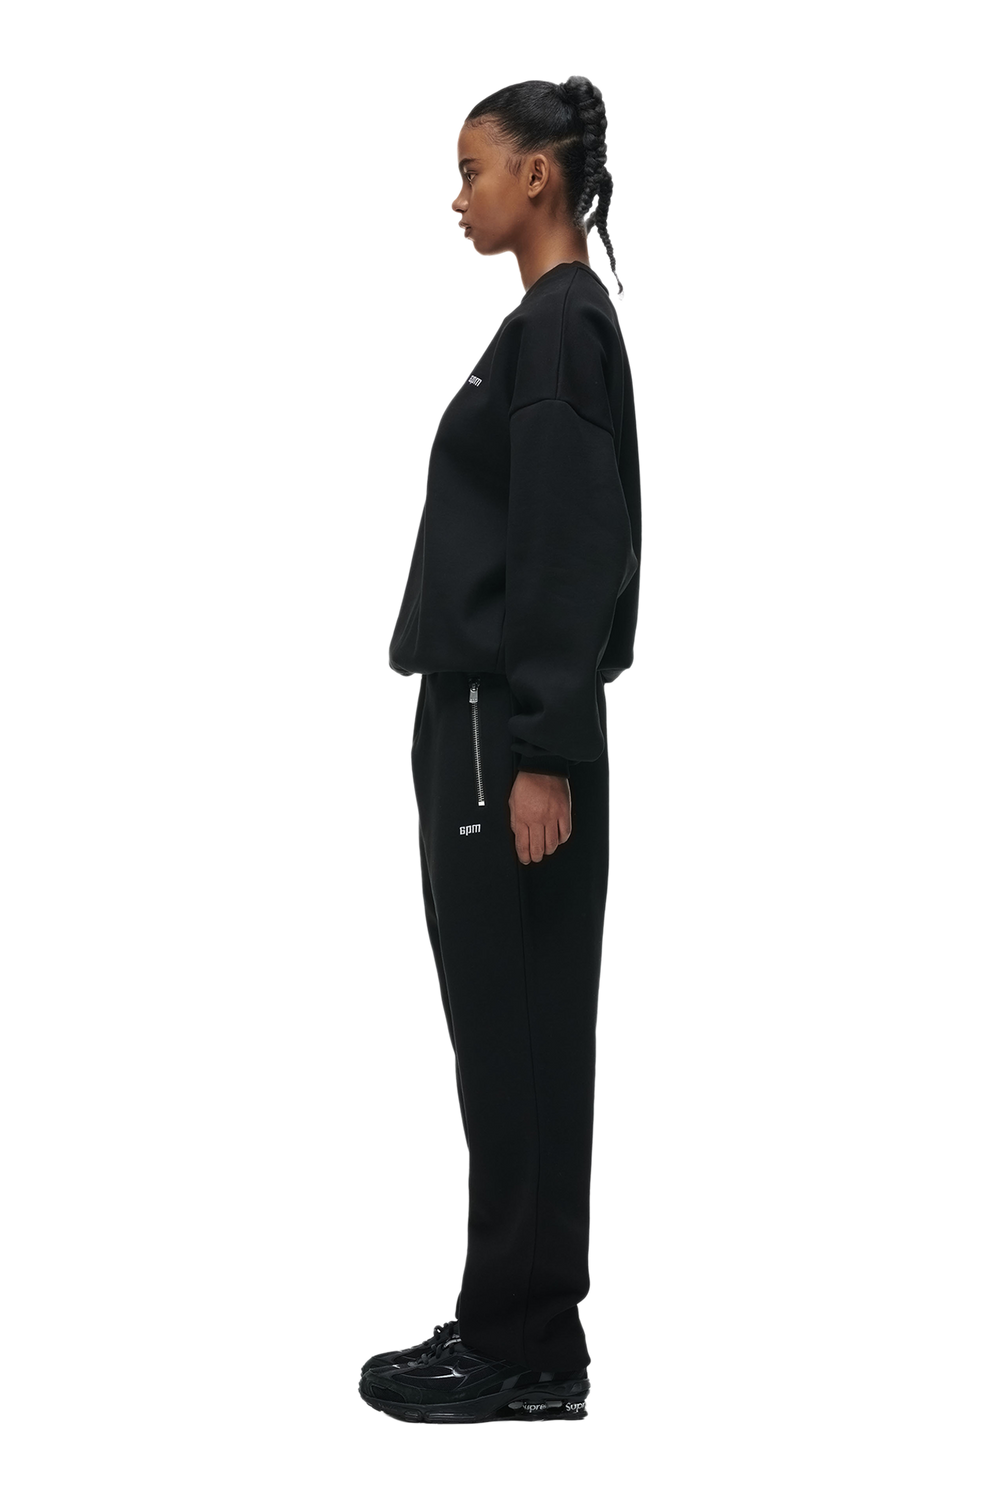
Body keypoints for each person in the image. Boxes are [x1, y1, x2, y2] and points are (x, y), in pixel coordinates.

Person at [357, 72, 645, 1427]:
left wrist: (541, 747)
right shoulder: (546, 326)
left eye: (474, 168)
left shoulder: (563, 323)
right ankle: (518, 1324)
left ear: (541, 173)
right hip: (487, 725)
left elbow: (570, 546)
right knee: (508, 1031)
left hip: (500, 734)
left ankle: (522, 1343)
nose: (458, 195)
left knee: (518, 1032)